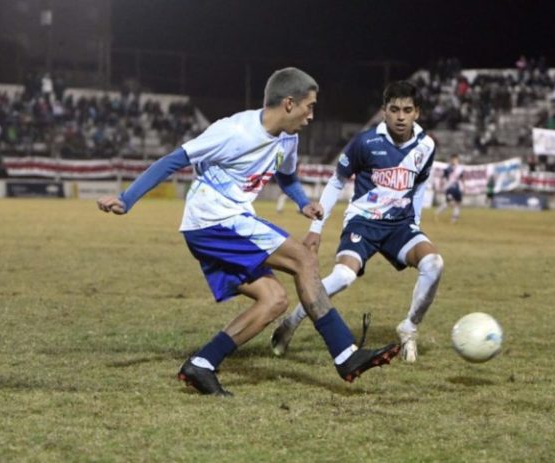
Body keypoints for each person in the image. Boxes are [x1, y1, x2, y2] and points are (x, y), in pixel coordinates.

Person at [97, 67, 399, 396]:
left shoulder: (289, 138)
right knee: (303, 259)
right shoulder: (234, 131)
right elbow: (173, 159)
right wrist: (127, 199)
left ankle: (202, 364)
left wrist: (301, 202)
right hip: (214, 221)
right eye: (309, 106)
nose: (312, 115)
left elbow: (286, 177)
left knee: (274, 300)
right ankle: (346, 355)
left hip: (223, 224)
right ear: (288, 103)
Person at [270, 80, 443, 363]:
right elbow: (337, 181)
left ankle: (409, 328)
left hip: (400, 226)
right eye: (394, 109)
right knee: (344, 276)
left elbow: (420, 183)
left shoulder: (426, 145)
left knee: (434, 264)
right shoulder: (365, 142)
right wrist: (316, 228)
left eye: (407, 110)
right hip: (363, 222)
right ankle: (293, 320)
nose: (401, 116)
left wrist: (417, 222)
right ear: (384, 112)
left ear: (417, 113)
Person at [435, 153, 464, 223]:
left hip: (458, 188)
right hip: (449, 188)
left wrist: (463, 187)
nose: (454, 161)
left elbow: (462, 178)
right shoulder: (448, 168)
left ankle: (440, 211)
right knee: (452, 203)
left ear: (457, 160)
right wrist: (442, 185)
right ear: (451, 160)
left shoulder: (460, 168)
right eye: (453, 159)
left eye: (455, 159)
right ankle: (453, 217)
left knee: (457, 203)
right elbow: (443, 177)